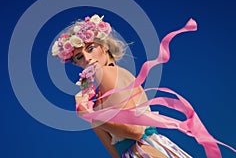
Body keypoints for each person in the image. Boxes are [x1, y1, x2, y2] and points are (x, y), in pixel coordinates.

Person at [52, 14, 192, 157]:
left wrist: (89, 115)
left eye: (90, 48)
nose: (87, 58)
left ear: (104, 47)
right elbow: (116, 152)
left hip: (148, 152)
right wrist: (89, 112)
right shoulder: (95, 100)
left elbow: (136, 131)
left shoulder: (107, 72)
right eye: (79, 57)